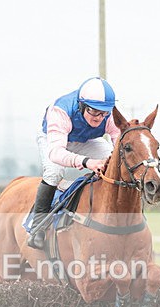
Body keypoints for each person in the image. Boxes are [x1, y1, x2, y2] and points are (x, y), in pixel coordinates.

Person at [27, 77, 121, 249]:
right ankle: (37, 227)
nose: (99, 118)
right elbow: (56, 153)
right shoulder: (60, 110)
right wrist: (87, 162)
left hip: (87, 140)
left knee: (112, 161)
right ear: (81, 105)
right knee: (54, 172)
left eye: (103, 113)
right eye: (94, 112)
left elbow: (120, 144)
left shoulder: (109, 114)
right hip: (55, 140)